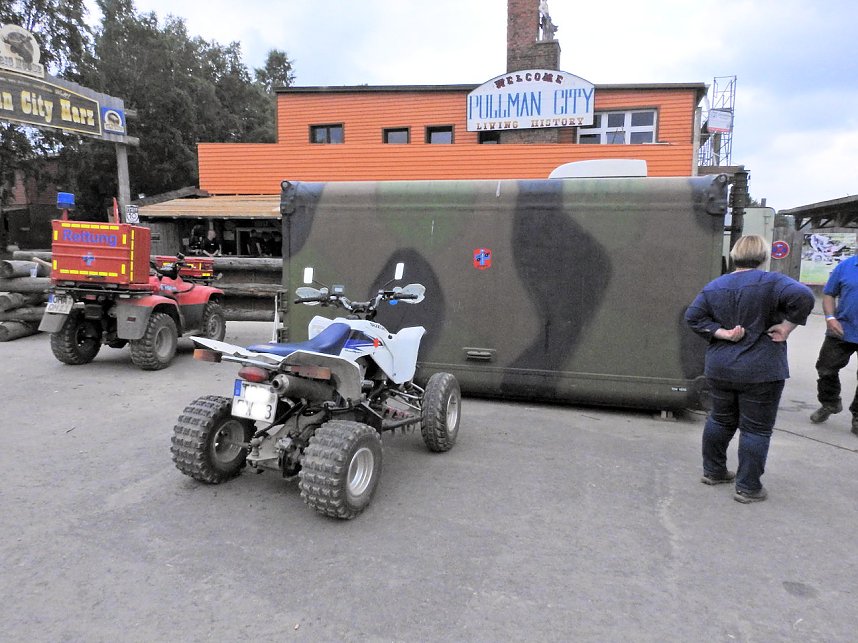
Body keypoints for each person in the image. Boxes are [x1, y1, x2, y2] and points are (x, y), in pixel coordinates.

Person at [685, 235, 814, 504]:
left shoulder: (714, 286)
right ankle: (748, 487)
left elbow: (693, 317)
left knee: (720, 419)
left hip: (721, 368)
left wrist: (722, 333)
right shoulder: (775, 282)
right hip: (761, 370)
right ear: (764, 256)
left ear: (734, 256)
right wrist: (787, 327)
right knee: (756, 429)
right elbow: (803, 296)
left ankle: (714, 471)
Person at [809, 251, 858, 435]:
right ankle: (830, 403)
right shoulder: (846, 266)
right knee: (825, 369)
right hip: (841, 330)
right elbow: (829, 294)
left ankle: (857, 417)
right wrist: (830, 318)